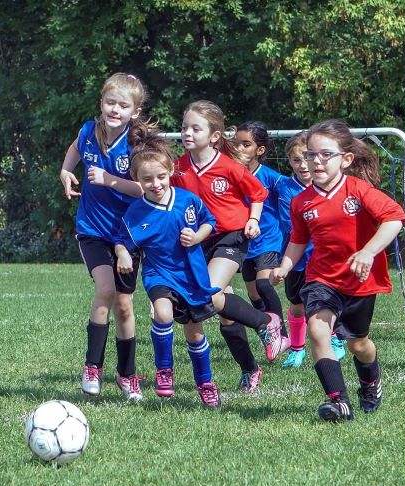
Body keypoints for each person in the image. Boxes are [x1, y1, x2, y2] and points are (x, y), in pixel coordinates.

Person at [270, 119, 405, 421]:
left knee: (359, 344)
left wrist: (368, 252)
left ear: (345, 159)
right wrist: (285, 266)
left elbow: (395, 218)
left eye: (325, 154)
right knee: (317, 326)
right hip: (321, 278)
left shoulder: (358, 190)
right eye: (310, 154)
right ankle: (339, 401)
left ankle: (370, 380)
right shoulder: (301, 201)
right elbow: (298, 239)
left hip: (360, 281)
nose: (316, 160)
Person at [171, 100, 286, 393]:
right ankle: (250, 369)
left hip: (232, 235)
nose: (187, 133)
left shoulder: (229, 166)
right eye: (185, 127)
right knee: (223, 309)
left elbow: (257, 193)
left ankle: (265, 324)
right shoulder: (179, 168)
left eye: (196, 128)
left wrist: (253, 220)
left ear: (214, 135)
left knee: (209, 291)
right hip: (200, 240)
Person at [59, 72, 151, 401]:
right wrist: (67, 169)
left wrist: (110, 180)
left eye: (122, 105)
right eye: (110, 102)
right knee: (106, 289)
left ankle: (127, 376)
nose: (114, 109)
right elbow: (74, 148)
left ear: (134, 111)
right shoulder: (89, 131)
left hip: (127, 232)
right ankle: (92, 368)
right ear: (101, 103)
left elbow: (145, 189)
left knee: (125, 306)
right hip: (93, 230)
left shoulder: (137, 144)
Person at [114, 136, 222, 407]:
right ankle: (164, 370)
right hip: (158, 273)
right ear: (136, 179)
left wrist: (197, 236)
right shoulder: (136, 212)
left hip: (192, 276)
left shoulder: (188, 201)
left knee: (194, 334)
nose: (156, 184)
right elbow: (120, 240)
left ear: (171, 171)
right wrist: (123, 253)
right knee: (162, 313)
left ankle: (205, 383)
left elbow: (210, 222)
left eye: (161, 176)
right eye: (147, 179)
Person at [277, 132, 347, 368]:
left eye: (304, 158)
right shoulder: (287, 188)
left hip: (323, 258)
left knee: (328, 301)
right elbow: (292, 225)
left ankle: (335, 339)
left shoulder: (330, 186)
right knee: (297, 305)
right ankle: (297, 350)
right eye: (295, 160)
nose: (302, 165)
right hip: (296, 258)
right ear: (289, 162)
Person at [234, 122, 289, 340]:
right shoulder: (230, 174)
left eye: (246, 144)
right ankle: (267, 329)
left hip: (269, 238)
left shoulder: (271, 177)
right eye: (236, 144)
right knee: (253, 293)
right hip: (245, 242)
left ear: (260, 150)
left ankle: (282, 336)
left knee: (263, 285)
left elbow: (294, 189)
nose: (239, 149)